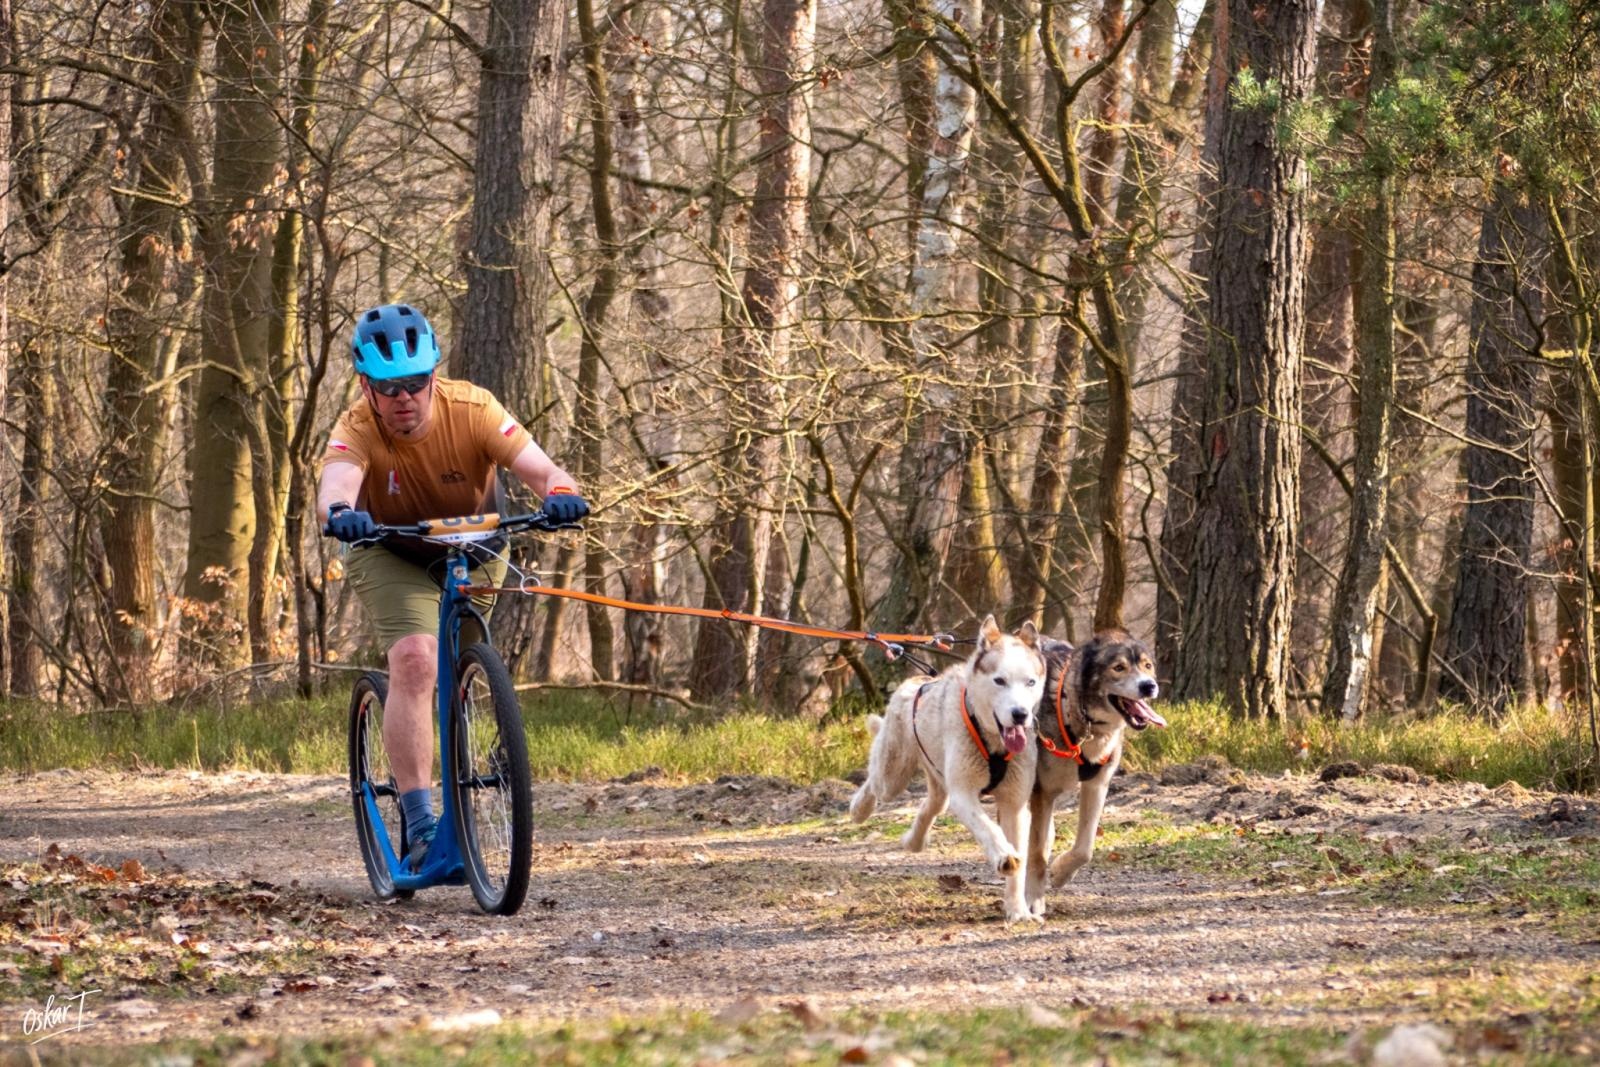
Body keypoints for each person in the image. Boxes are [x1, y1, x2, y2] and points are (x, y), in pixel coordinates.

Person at [317, 303, 588, 871]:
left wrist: (560, 493)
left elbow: (541, 469)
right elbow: (337, 482)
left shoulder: (475, 409)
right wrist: (342, 511)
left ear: (433, 377)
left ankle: (482, 763)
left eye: (416, 384)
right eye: (389, 388)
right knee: (417, 662)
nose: (404, 398)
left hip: (477, 549)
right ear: (366, 385)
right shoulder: (356, 428)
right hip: (391, 550)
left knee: (465, 667)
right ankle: (419, 821)